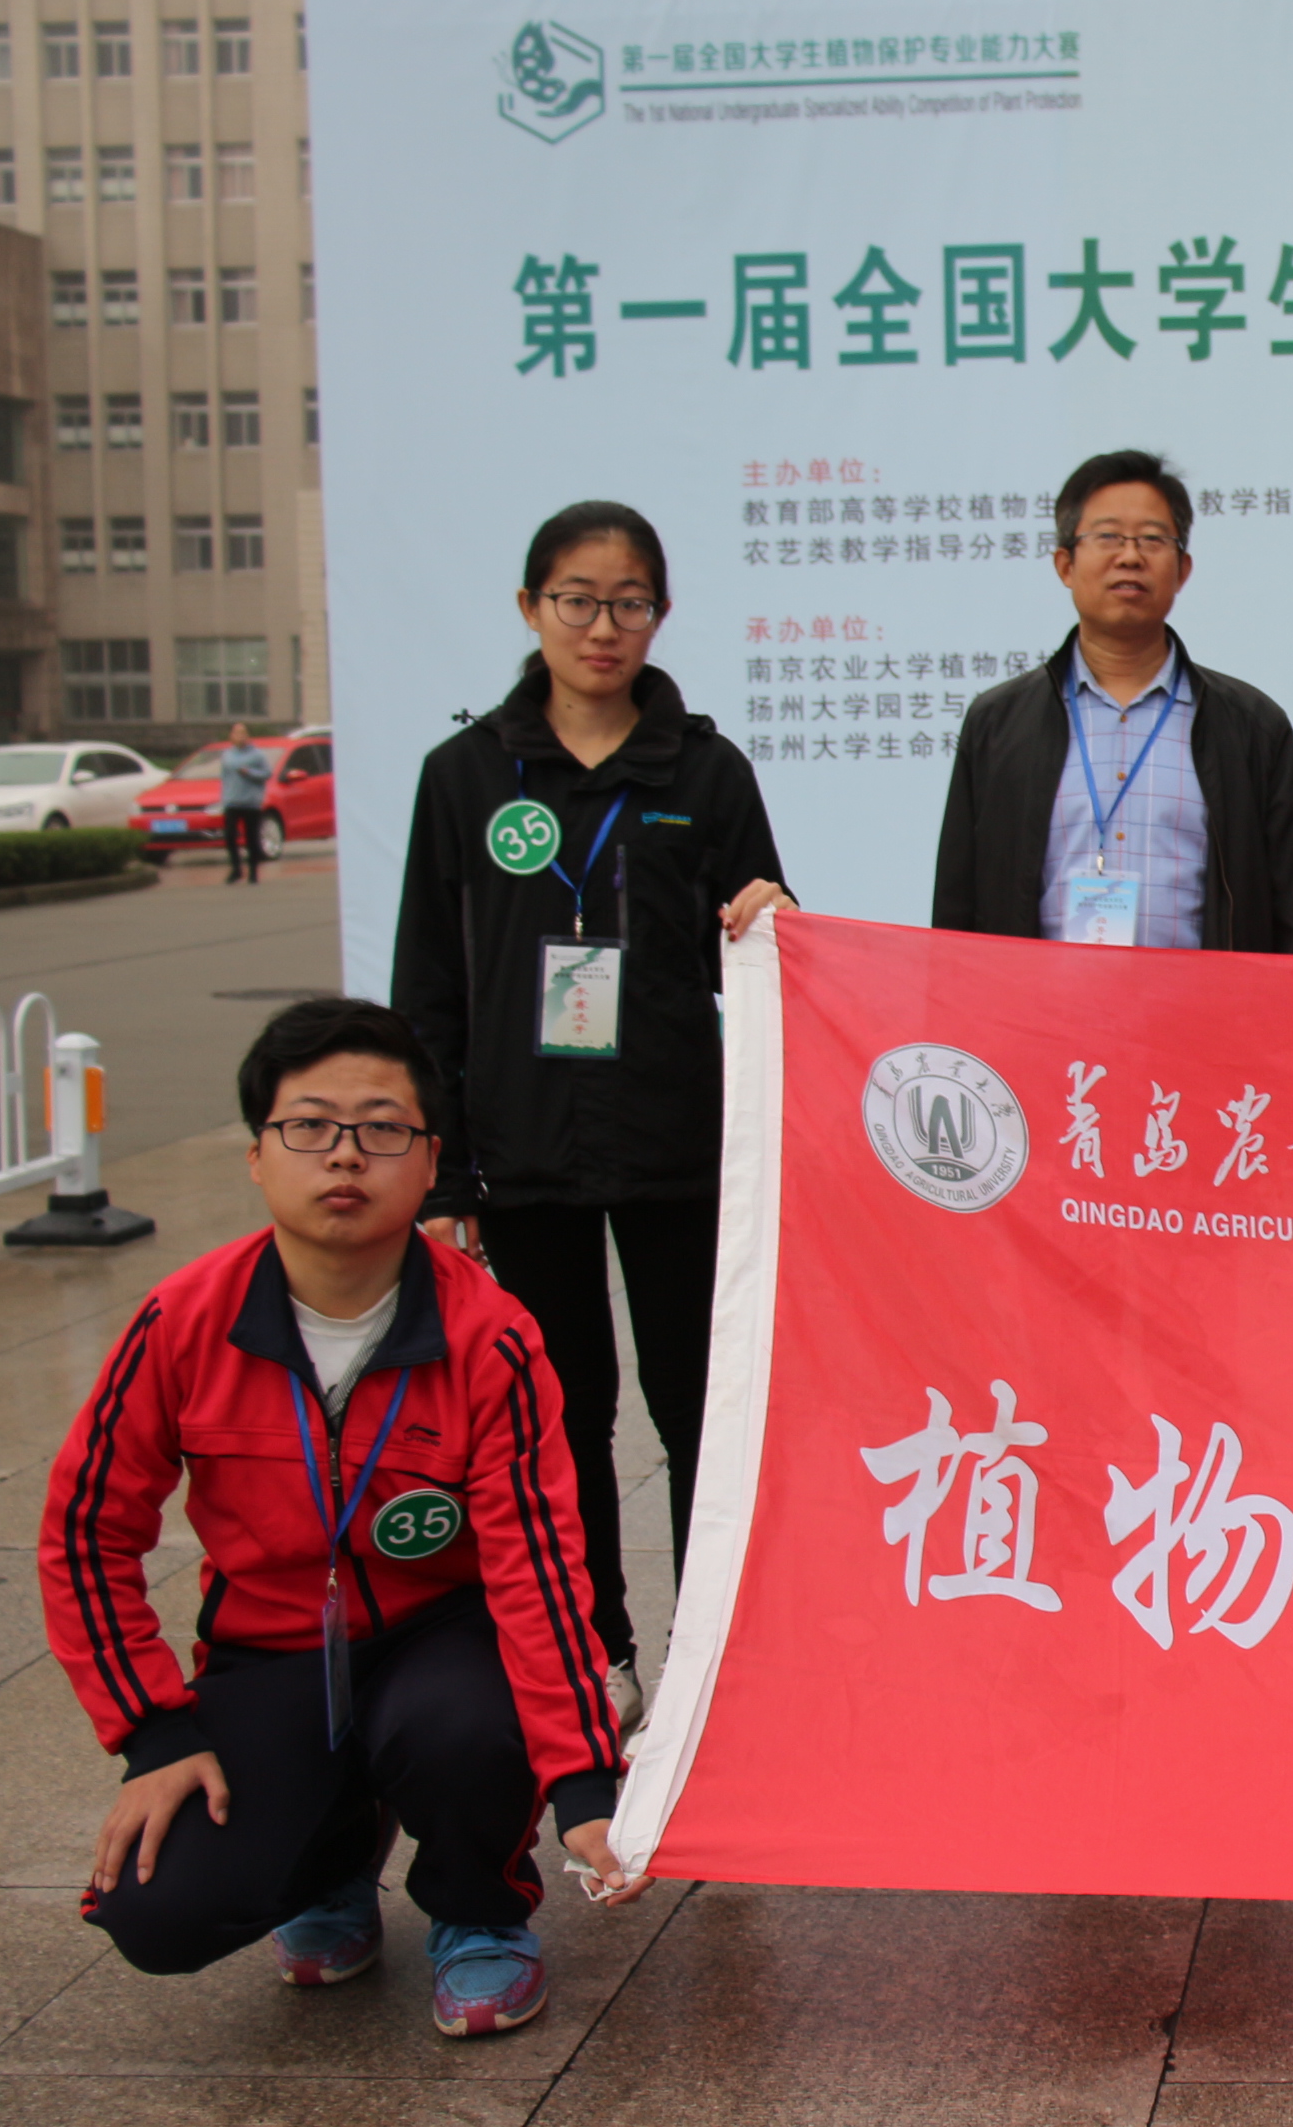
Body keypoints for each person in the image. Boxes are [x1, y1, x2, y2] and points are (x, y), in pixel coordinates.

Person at [38, 998, 650, 2038]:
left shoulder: (491, 1337)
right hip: (271, 1646)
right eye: (310, 1126)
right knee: (161, 1913)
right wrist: (153, 1732)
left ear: (430, 1161)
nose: (346, 1155)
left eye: (382, 1129)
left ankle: (479, 1913)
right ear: (257, 1155)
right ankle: (332, 1861)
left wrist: (583, 1780)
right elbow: (86, 1533)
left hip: (443, 1637)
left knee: (464, 1729)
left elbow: (539, 1567)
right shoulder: (182, 1321)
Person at [391, 500, 792, 1730]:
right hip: (524, 1155)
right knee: (558, 1415)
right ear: (531, 609)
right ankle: (597, 1651)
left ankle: (711, 1657)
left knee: (697, 1410)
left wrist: (774, 913)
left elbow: (763, 952)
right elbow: (429, 987)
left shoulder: (705, 772)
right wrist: (444, 1180)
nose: (602, 626)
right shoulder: (465, 777)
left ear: (660, 615)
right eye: (577, 600)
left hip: (679, 1147)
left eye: (628, 603)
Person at [930, 450, 1293, 950]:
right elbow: (956, 913)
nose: (1130, 557)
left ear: (1183, 569)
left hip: (1200, 1001)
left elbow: (1288, 918)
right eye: (1108, 536)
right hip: (1038, 1001)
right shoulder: (998, 724)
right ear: (1065, 564)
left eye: (1152, 539)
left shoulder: (1252, 728)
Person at [218, 721, 276, 883]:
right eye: (237, 733)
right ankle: (236, 869)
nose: (240, 736)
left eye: (243, 733)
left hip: (251, 803)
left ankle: (253, 871)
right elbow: (225, 778)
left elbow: (267, 773)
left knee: (252, 838)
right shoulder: (227, 755)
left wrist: (249, 772)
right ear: (231, 736)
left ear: (248, 736)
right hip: (232, 802)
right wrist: (224, 797)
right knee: (230, 836)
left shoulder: (257, 755)